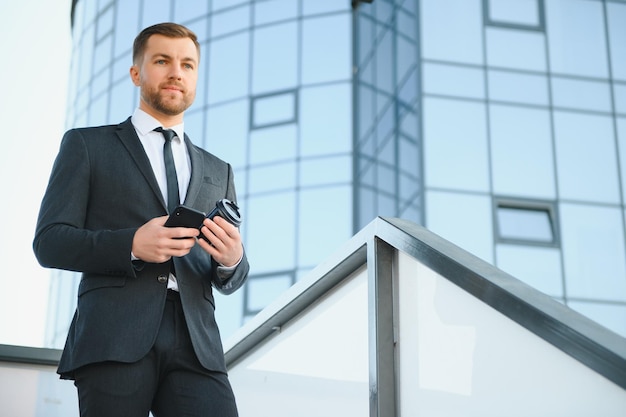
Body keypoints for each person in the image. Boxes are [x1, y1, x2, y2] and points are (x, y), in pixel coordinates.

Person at [33, 22, 249, 417]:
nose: (176, 72)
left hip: (197, 345)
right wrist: (132, 244)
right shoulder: (87, 145)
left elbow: (230, 276)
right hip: (113, 335)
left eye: (187, 64)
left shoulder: (221, 171)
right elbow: (49, 242)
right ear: (136, 72)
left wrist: (233, 257)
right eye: (162, 60)